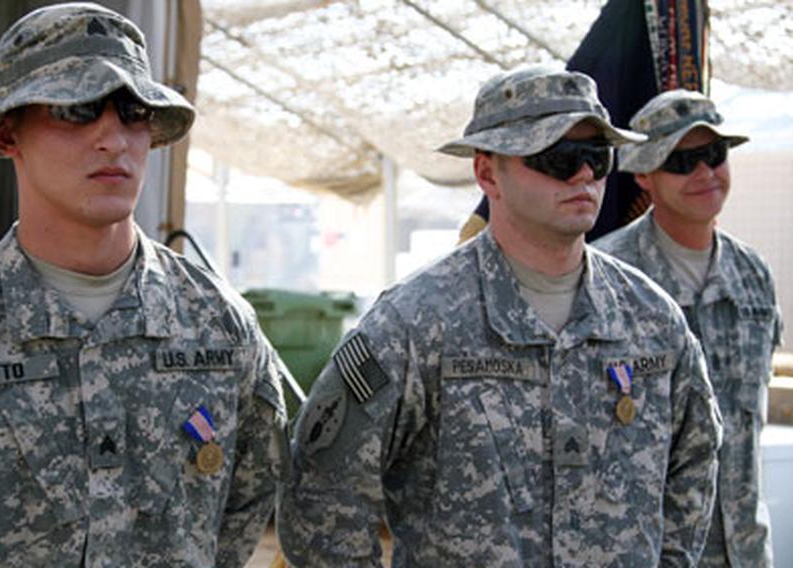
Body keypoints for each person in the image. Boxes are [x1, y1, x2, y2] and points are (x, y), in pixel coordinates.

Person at [0, 4, 286, 566]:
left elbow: (245, 502)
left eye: (132, 110)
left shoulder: (220, 328)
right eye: (77, 109)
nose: (113, 138)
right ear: (8, 133)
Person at [278, 66, 722, 567]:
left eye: (597, 157)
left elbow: (696, 458)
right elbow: (320, 498)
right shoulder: (416, 323)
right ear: (488, 173)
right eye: (557, 157)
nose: (583, 175)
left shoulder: (651, 320)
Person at [594, 89, 783, 567]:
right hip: (650, 552)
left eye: (712, 155)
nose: (703, 173)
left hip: (744, 549)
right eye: (680, 161)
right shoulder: (607, 277)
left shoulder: (752, 274)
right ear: (644, 174)